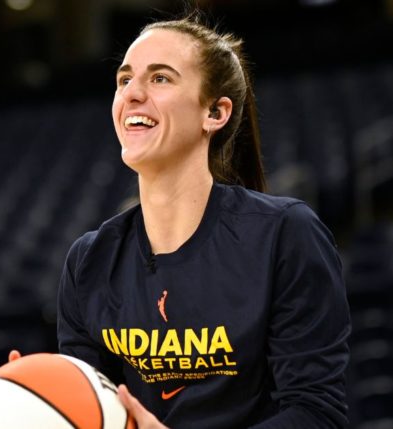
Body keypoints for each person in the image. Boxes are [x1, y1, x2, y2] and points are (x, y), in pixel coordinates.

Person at [54, 13, 351, 429]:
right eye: (124, 79)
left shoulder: (285, 234)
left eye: (160, 79)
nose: (132, 93)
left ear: (215, 112)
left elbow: (317, 414)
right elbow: (90, 413)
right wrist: (39, 397)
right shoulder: (89, 261)